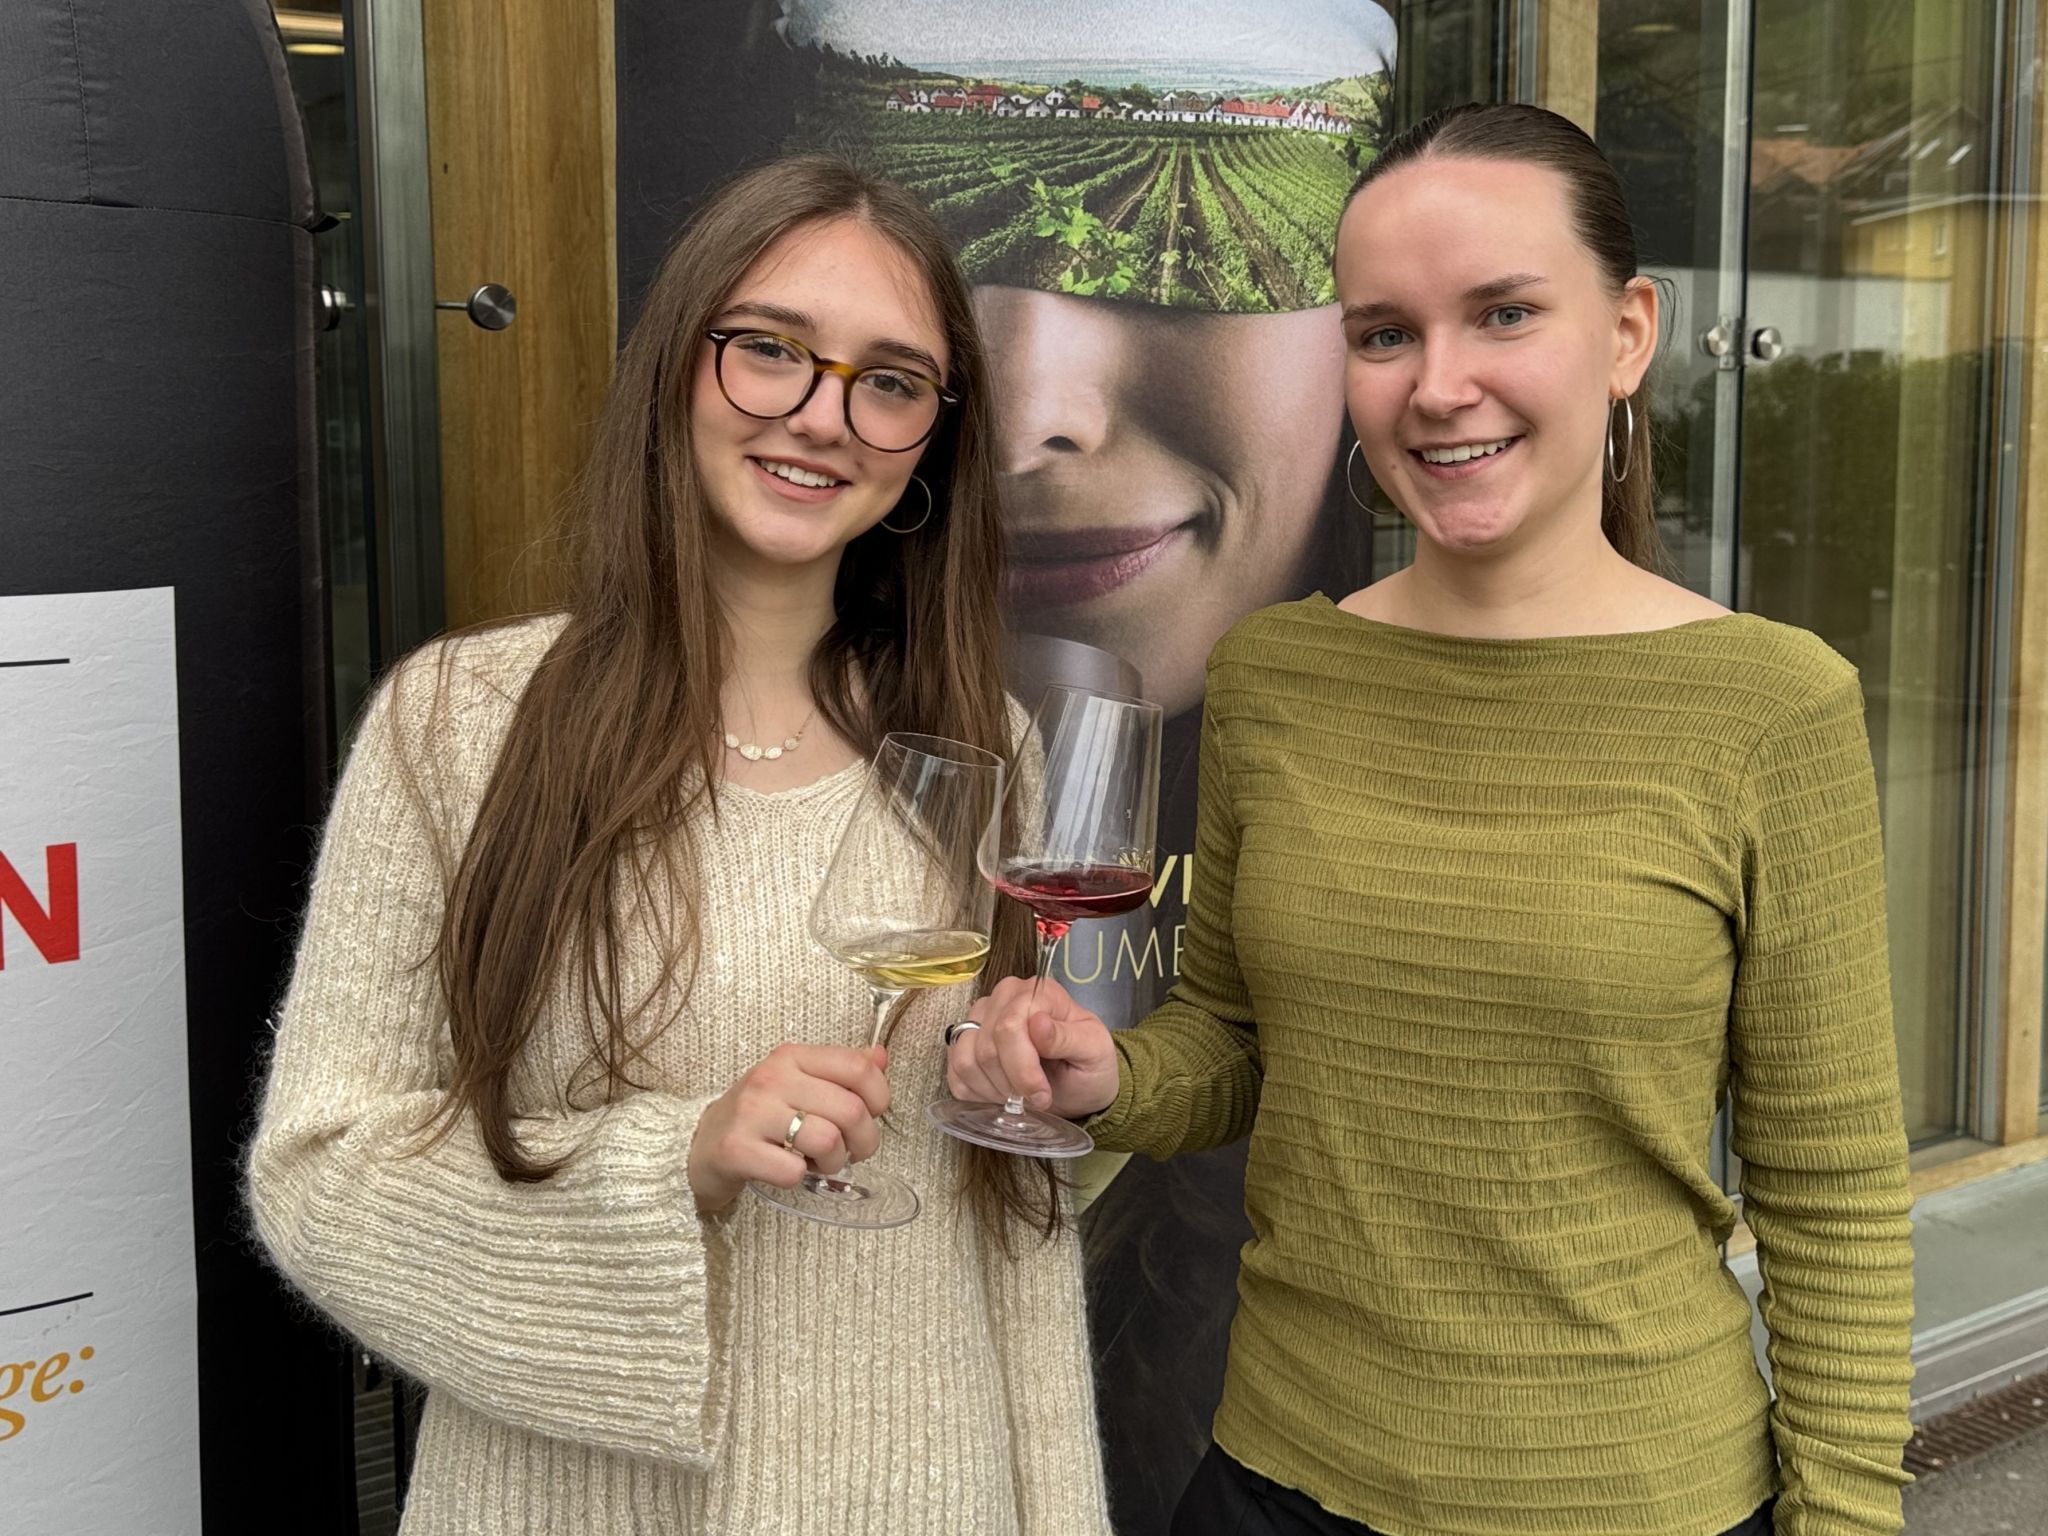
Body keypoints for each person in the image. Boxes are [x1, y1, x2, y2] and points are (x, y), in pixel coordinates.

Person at [949, 103, 1915, 1536]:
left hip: (1634, 1498)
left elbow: (1832, 1199)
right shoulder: (1282, 672)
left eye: (1505, 313)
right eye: (1385, 332)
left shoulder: (1769, 709)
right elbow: (1233, 1049)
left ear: (1630, 331)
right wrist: (1108, 1083)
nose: (1438, 384)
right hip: (1277, 1480)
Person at [246, 154, 1112, 1536]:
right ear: (680, 366)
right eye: (770, 350)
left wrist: (1033, 1097)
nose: (823, 417)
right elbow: (317, 1176)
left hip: (927, 1492)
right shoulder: (455, 729)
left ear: (929, 446)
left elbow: (1006, 1235)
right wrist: (679, 1168)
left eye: (890, 381)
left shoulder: (980, 743)